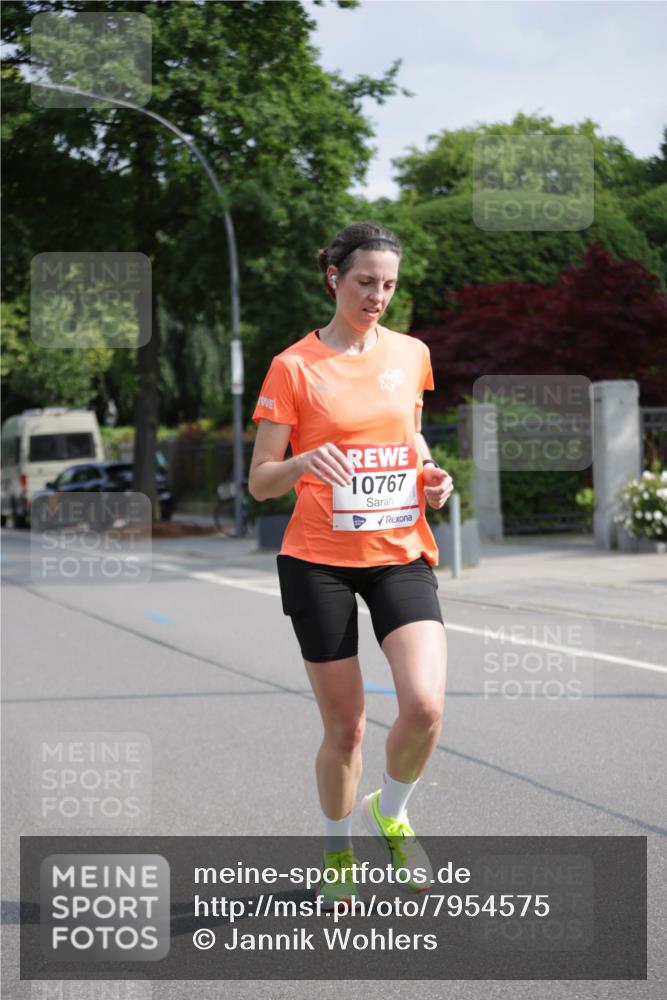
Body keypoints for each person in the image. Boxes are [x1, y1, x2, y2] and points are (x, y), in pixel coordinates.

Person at [249, 222, 453, 909]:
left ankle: (390, 814)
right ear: (333, 276)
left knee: (424, 705)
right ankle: (337, 849)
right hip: (318, 561)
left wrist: (429, 474)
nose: (377, 296)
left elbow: (408, 430)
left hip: (399, 551)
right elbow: (259, 482)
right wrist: (304, 461)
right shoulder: (293, 366)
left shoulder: (411, 353)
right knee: (346, 726)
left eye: (388, 285)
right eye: (365, 281)